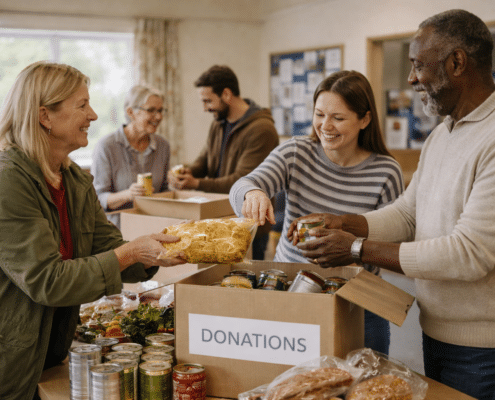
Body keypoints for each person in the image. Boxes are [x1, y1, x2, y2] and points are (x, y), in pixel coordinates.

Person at [290, 10, 495, 400]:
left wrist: (354, 248)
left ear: (457, 63)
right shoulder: (442, 135)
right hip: (435, 333)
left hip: (483, 351)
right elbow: (407, 213)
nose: (410, 78)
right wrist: (349, 223)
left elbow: (469, 253)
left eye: (418, 65)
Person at [0, 61, 186, 400]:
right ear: (45, 116)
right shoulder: (8, 181)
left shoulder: (73, 180)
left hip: (50, 351)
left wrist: (154, 253)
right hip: (11, 361)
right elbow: (48, 280)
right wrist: (131, 252)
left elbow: (107, 244)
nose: (94, 115)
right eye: (82, 105)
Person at [230, 70, 404, 355]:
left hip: (359, 302)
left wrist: (350, 246)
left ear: (365, 119)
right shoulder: (296, 152)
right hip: (293, 292)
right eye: (319, 114)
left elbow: (395, 241)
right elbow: (243, 184)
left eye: (338, 118)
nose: (326, 126)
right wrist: (254, 193)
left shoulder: (386, 171)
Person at [167, 65, 279, 259]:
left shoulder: (262, 130)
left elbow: (242, 181)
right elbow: (205, 158)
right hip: (221, 217)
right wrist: (187, 173)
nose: (205, 108)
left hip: (251, 224)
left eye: (208, 101)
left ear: (226, 94)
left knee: (246, 282)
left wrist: (196, 184)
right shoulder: (219, 122)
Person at [91, 84, 170, 229]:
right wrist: (127, 194)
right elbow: (96, 199)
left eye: (160, 110)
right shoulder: (106, 146)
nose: (158, 116)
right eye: (151, 110)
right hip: (118, 230)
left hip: (156, 226)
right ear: (131, 112)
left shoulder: (163, 145)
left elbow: (165, 190)